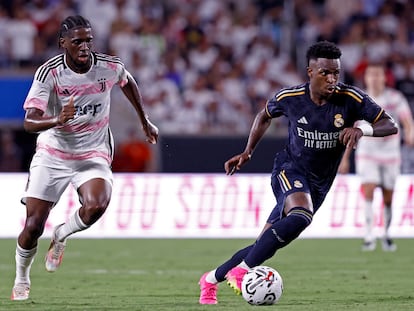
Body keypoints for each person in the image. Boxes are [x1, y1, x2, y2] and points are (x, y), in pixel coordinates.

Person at [198, 41, 398, 305]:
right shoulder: (290, 98)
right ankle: (241, 271)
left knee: (263, 246)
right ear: (310, 72)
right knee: (301, 215)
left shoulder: (351, 100)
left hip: (319, 184)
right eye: (325, 72)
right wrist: (248, 152)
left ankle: (210, 280)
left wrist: (363, 130)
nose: (332, 79)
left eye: (336, 73)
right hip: (289, 169)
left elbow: (390, 124)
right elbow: (264, 115)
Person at [11, 15, 159, 301]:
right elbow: (29, 122)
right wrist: (57, 119)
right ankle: (22, 278)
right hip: (54, 152)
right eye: (77, 41)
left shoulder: (109, 66)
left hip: (93, 150)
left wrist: (144, 120)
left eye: (88, 40)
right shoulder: (49, 73)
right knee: (32, 227)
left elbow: (128, 83)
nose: (84, 46)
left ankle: (61, 235)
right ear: (62, 44)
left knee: (96, 205)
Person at [339, 62, 414, 252]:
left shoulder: (395, 98)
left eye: (377, 74)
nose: (374, 78)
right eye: (370, 74)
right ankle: (369, 235)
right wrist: (345, 158)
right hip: (367, 152)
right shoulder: (360, 99)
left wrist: (410, 134)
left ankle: (387, 234)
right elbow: (351, 130)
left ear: (384, 77)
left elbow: (406, 120)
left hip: (391, 153)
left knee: (388, 197)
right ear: (366, 78)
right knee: (369, 190)